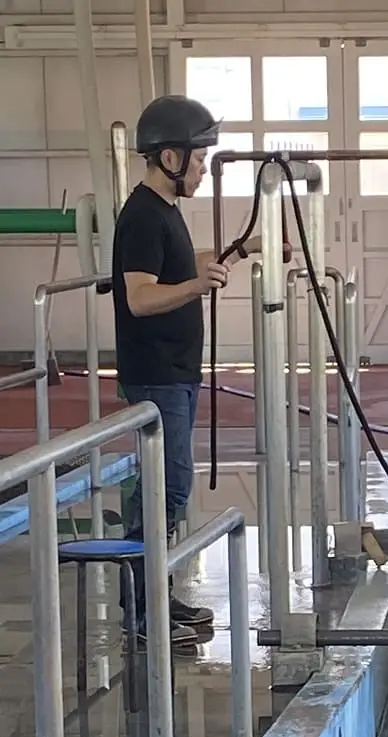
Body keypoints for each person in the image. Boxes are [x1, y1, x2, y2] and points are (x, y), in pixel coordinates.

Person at [112, 94, 260, 645]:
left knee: (165, 490)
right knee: (166, 491)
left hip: (174, 373)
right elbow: (141, 297)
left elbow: (182, 267)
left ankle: (153, 599)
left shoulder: (164, 214)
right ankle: (143, 616)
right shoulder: (143, 218)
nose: (203, 169)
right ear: (169, 158)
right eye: (198, 160)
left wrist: (243, 250)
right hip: (157, 375)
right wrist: (199, 286)